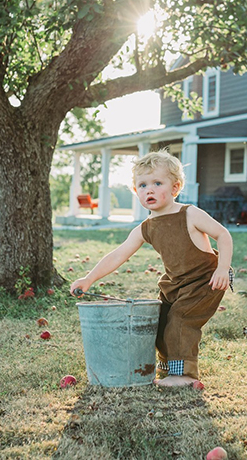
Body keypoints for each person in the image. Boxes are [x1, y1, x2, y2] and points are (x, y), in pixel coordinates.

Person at [70, 150, 233, 387]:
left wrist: (222, 268)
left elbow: (223, 235)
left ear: (175, 188)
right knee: (162, 322)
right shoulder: (145, 228)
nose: (150, 189)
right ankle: (170, 371)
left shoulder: (189, 214)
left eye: (158, 183)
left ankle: (184, 375)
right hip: (175, 284)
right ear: (136, 192)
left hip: (205, 281)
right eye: (143, 185)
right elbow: (118, 255)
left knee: (180, 320)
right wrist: (89, 278)